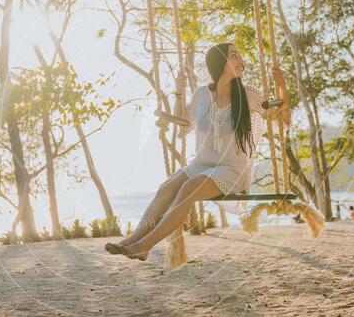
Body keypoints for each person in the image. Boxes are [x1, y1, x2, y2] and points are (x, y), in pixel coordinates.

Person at [105, 41, 291, 261]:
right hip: (201, 164)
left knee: (188, 189)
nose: (240, 60)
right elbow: (185, 123)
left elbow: (281, 118)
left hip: (231, 169)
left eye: (239, 55)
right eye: (234, 56)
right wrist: (179, 92)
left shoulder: (249, 94)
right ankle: (131, 240)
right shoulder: (202, 94)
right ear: (219, 62)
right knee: (166, 188)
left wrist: (281, 85)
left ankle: (144, 246)